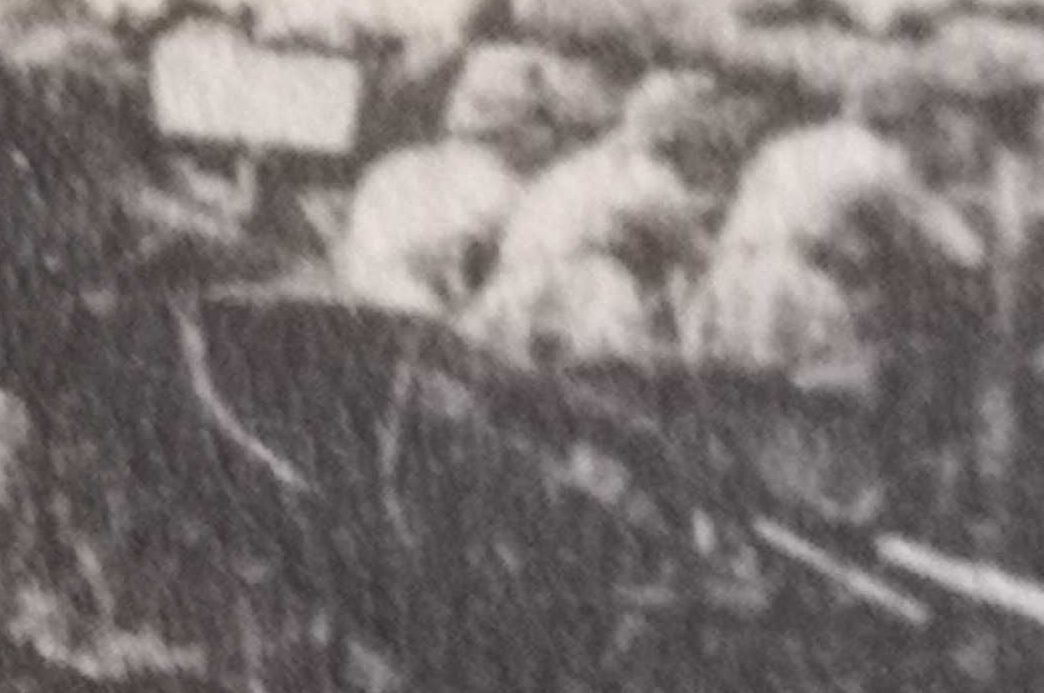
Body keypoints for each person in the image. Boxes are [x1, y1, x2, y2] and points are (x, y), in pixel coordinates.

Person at [684, 66, 990, 524]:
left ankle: (765, 524)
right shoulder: (879, 159)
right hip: (791, 286)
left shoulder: (786, 147)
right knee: (831, 409)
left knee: (756, 413)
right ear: (905, 121)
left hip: (728, 283)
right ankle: (832, 525)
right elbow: (959, 249)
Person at [458, 69, 753, 373]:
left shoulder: (571, 168)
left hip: (512, 288)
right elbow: (698, 258)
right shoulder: (649, 175)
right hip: (585, 288)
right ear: (676, 131)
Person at [332, 45, 577, 316]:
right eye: (549, 123)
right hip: (443, 333)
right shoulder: (512, 189)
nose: (557, 140)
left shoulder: (391, 168)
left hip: (365, 324)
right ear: (528, 124)